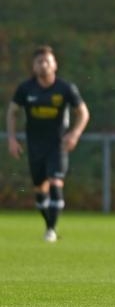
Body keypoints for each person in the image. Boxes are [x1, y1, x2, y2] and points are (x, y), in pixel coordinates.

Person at [6, 45, 90, 242]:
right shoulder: (26, 89)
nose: (43, 64)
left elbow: (83, 113)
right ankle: (48, 226)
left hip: (57, 145)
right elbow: (12, 111)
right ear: (34, 66)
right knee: (39, 191)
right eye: (39, 62)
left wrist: (74, 134)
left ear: (55, 65)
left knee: (55, 182)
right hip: (35, 146)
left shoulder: (65, 88)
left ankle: (51, 230)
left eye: (47, 61)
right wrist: (12, 138)